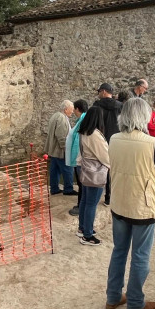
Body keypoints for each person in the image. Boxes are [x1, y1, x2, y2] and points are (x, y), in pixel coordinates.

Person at [105, 98, 155, 309]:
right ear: (144, 117)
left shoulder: (113, 139)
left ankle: (113, 296)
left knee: (119, 251)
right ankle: (135, 302)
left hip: (119, 202)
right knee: (140, 255)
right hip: (142, 206)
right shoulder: (154, 143)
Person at [76, 107, 110, 246]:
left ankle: (82, 228)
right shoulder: (95, 135)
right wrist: (112, 166)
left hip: (86, 169)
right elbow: (104, 156)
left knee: (85, 200)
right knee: (92, 203)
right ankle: (87, 235)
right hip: (95, 171)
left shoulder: (84, 132)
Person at [93, 83, 123, 205]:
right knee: (115, 169)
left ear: (104, 92)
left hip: (100, 140)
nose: (98, 94)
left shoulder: (96, 105)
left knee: (100, 167)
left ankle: (100, 195)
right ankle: (112, 196)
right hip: (116, 140)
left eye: (99, 91)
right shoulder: (120, 106)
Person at [45, 100, 75, 195]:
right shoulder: (62, 118)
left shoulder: (55, 115)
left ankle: (54, 188)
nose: (72, 112)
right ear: (66, 109)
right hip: (60, 150)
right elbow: (61, 136)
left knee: (54, 170)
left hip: (53, 149)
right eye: (71, 109)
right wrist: (66, 148)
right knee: (68, 169)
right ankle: (68, 189)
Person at [65, 99, 88, 216]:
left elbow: (78, 140)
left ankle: (81, 207)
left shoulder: (83, 121)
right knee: (80, 184)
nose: (73, 111)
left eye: (74, 109)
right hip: (79, 158)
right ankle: (81, 205)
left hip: (80, 158)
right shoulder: (82, 120)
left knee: (81, 184)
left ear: (78, 109)